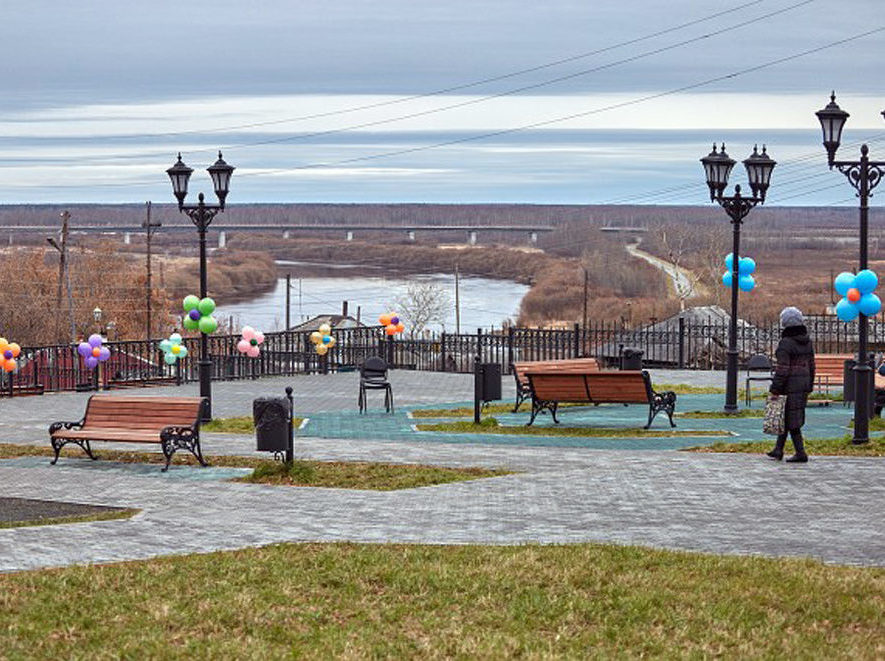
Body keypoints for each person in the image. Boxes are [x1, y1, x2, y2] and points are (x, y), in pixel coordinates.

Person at [767, 306, 815, 463]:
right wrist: (810, 385)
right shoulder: (807, 342)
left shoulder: (785, 344)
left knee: (791, 420)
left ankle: (801, 453)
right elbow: (812, 365)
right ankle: (778, 450)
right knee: (787, 417)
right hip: (803, 385)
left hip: (789, 386)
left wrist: (775, 389)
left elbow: (782, 369)